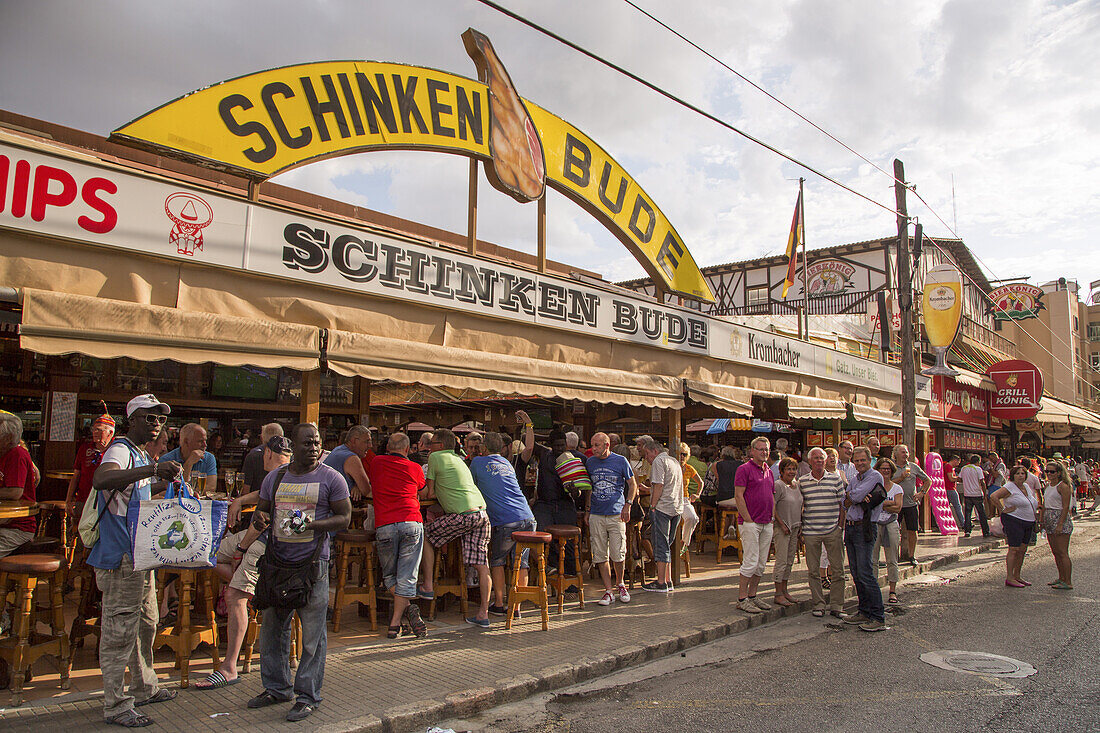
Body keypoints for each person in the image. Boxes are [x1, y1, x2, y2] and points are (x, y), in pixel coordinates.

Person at [88, 394, 183, 727]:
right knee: (119, 630)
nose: (156, 424)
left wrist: (160, 480)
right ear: (133, 419)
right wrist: (154, 468)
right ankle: (116, 704)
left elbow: (135, 489)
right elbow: (103, 479)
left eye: (160, 419)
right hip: (120, 556)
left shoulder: (138, 454)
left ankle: (144, 686)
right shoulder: (119, 450)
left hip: (139, 555)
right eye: (150, 418)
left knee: (146, 623)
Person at [247, 423, 351, 722]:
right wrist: (262, 516)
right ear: (293, 445)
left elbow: (344, 518)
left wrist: (311, 524)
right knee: (272, 631)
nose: (314, 447)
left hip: (313, 564)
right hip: (278, 563)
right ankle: (277, 688)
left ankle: (307, 696)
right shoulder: (276, 477)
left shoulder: (332, 478)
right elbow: (262, 511)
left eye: (317, 442)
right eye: (307, 443)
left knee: (312, 637)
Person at [194, 436, 292, 689]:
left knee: (234, 595)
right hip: (274, 541)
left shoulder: (278, 476)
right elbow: (264, 495)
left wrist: (240, 549)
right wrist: (239, 500)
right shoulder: (286, 473)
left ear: (268, 453)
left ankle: (228, 668)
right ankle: (256, 589)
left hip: (266, 543)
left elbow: (262, 523)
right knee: (206, 552)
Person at [419, 428, 493, 628]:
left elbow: (430, 492)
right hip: (481, 513)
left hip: (462, 515)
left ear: (440, 446)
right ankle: (483, 614)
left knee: (424, 534)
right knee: (481, 563)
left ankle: (427, 585)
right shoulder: (459, 460)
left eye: (431, 444)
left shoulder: (435, 458)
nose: (428, 448)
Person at [470, 432, 537, 616]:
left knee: (498, 560)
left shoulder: (477, 462)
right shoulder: (507, 463)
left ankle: (499, 603)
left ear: (483, 448)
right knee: (522, 563)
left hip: (505, 520)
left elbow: (471, 487)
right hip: (527, 517)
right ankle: (517, 607)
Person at [368, 432, 428, 637]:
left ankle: (396, 623)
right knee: (407, 576)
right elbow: (424, 491)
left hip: (384, 524)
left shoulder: (376, 462)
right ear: (406, 449)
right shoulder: (415, 467)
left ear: (387, 448)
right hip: (411, 521)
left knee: (389, 577)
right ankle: (403, 615)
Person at [515, 411, 580, 577]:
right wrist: (529, 424)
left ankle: (570, 580)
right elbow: (527, 443)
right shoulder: (545, 455)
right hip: (544, 504)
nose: (559, 448)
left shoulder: (574, 458)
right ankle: (549, 572)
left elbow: (580, 490)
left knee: (569, 545)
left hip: (565, 504)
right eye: (556, 445)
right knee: (541, 538)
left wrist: (575, 491)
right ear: (551, 445)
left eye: (562, 445)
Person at [585, 432, 636, 605]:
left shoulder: (621, 461)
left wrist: (628, 505)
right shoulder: (590, 462)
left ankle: (620, 584)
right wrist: (587, 509)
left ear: (607, 445)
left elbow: (632, 484)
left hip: (616, 513)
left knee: (618, 552)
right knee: (600, 553)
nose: (593, 449)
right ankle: (608, 590)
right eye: (592, 445)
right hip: (597, 513)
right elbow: (589, 487)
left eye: (597, 445)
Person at [842, 446, 887, 632]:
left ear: (870, 461)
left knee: (866, 572)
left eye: (863, 460)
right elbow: (846, 501)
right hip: (851, 527)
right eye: (857, 460)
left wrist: (853, 495)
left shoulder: (875, 476)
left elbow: (855, 495)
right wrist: (853, 496)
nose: (860, 463)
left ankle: (877, 616)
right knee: (856, 572)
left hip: (865, 528)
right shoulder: (854, 479)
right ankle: (864, 610)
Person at [798, 447, 846, 617]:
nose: (819, 461)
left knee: (838, 570)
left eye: (821, 458)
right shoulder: (802, 482)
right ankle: (818, 604)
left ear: (826, 461)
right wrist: (802, 530)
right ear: (810, 461)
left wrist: (840, 526)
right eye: (815, 458)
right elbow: (801, 506)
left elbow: (843, 505)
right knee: (813, 571)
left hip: (833, 530)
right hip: (811, 531)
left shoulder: (835, 479)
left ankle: (837, 605)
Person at [733, 436, 775, 613]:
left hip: (766, 522)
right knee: (750, 561)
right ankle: (742, 599)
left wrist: (772, 517)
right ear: (752, 451)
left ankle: (753, 595)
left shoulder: (769, 471)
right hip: (751, 522)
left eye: (766, 449)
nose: (764, 452)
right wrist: (748, 519)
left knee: (761, 563)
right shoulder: (744, 469)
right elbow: (738, 495)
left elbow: (771, 495)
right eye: (760, 449)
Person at [639, 437, 683, 593]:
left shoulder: (658, 462)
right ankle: (668, 580)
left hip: (663, 507)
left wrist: (652, 505)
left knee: (660, 544)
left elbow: (658, 485)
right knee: (667, 544)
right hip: (676, 507)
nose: (646, 458)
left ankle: (660, 582)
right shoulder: (674, 461)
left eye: (646, 454)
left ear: (654, 451)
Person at [990, 465, 1039, 588]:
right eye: (1017, 473)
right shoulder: (1009, 486)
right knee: (1014, 549)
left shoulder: (1026, 487)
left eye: (1022, 473)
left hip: (1028, 521)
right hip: (1014, 521)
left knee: (1022, 549)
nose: (1020, 475)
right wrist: (1003, 509)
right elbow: (993, 496)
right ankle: (1010, 577)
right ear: (1013, 475)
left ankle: (1017, 575)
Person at [0, 411, 40, 558]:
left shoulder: (17, 455)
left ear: (7, 438)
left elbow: (15, 492)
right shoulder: (4, 453)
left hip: (18, 527)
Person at [65, 408, 115, 518]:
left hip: (107, 503)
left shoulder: (116, 449)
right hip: (83, 499)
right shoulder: (85, 448)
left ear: (110, 433)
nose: (94, 432)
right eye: (94, 429)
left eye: (99, 430)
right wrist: (68, 500)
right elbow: (76, 476)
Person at [872, 458, 904, 605]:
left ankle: (892, 591)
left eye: (888, 469)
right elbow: (872, 505)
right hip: (875, 524)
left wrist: (882, 504)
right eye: (882, 468)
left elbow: (898, 507)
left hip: (891, 523)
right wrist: (888, 503)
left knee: (892, 559)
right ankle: (874, 591)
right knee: (873, 560)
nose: (885, 471)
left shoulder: (897, 488)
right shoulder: (873, 487)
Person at [771, 457, 802, 608]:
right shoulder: (778, 485)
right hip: (782, 528)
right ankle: (778, 593)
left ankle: (785, 590)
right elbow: (773, 506)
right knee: (781, 560)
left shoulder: (797, 485)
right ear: (782, 471)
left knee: (790, 560)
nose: (791, 472)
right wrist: (781, 524)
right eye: (788, 469)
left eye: (793, 469)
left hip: (795, 527)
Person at [892, 444, 929, 565]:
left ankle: (912, 556)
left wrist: (921, 493)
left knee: (912, 530)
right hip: (895, 504)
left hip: (911, 503)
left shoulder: (913, 466)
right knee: (894, 531)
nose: (905, 455)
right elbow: (886, 483)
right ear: (896, 454)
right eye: (903, 452)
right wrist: (901, 478)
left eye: (906, 452)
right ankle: (894, 556)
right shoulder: (891, 467)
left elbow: (928, 480)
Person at [1041, 460, 1074, 590]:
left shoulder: (1063, 486)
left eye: (1052, 471)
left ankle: (1068, 581)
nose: (1049, 474)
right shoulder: (1048, 486)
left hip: (1059, 518)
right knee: (1055, 552)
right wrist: (1042, 520)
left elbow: (1066, 506)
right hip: (1049, 518)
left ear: (1059, 473)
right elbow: (1044, 504)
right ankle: (1061, 578)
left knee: (1062, 552)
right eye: (1047, 471)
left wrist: (1060, 523)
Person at [161, 423, 217, 495]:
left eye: (205, 440)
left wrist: (189, 492)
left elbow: (211, 487)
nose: (205, 445)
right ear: (186, 441)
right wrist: (189, 463)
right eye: (200, 441)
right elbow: (171, 490)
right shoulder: (167, 460)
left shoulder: (209, 458)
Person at [323, 425, 372, 502]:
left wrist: (356, 485)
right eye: (367, 441)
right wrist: (359, 486)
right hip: (334, 510)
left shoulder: (337, 450)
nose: (370, 446)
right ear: (354, 441)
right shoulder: (351, 458)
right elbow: (366, 490)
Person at [241, 423, 284, 494]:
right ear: (282, 436)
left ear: (262, 437)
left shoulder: (253, 455)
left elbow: (245, 488)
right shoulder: (290, 455)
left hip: (255, 502)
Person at [959, 454, 990, 537]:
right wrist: (984, 493)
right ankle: (986, 531)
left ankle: (967, 531)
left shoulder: (964, 468)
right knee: (981, 513)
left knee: (968, 513)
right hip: (977, 494)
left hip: (967, 494)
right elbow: (982, 482)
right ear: (978, 462)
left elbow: (960, 478)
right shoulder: (978, 469)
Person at [677, 444, 701, 546]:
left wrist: (697, 494)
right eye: (680, 454)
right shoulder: (672, 467)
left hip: (684, 499)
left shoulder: (689, 468)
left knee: (693, 518)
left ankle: (684, 543)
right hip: (672, 499)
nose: (682, 456)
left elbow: (701, 482)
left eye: (684, 454)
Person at [942, 454, 965, 530]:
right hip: (950, 489)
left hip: (948, 489)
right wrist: (959, 479)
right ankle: (963, 523)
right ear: (955, 460)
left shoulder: (948, 467)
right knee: (957, 506)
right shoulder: (949, 467)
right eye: (958, 462)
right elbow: (951, 478)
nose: (958, 464)